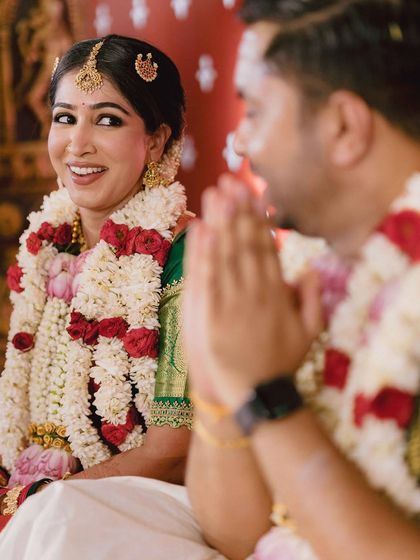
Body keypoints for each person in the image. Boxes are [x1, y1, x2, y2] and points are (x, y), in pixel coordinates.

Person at [184, 0, 420, 559]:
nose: (241, 143)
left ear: (343, 126)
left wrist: (269, 395)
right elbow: (233, 535)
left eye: (257, 112)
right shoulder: (328, 277)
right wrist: (222, 378)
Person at [0, 34, 193, 529]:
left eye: (107, 119)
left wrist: (31, 505)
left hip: (146, 506)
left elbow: (172, 452)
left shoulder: (185, 255)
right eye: (65, 117)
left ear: (156, 139)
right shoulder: (47, 247)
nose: (77, 144)